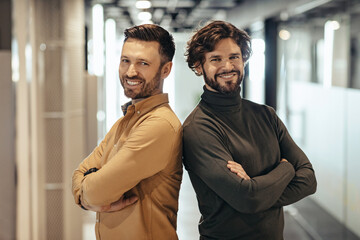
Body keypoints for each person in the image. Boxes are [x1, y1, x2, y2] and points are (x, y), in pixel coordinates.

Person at [182, 20, 317, 240]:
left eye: (234, 57)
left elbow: (309, 180)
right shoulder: (198, 129)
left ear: (243, 59)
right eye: (216, 59)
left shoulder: (266, 115)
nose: (227, 66)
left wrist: (256, 189)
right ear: (199, 66)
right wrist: (286, 169)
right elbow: (248, 199)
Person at [72, 24, 183, 240]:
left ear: (166, 69)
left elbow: (96, 192)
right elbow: (80, 172)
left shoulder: (158, 125)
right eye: (125, 61)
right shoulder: (126, 121)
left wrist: (88, 194)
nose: (131, 71)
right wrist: (86, 191)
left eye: (143, 63)